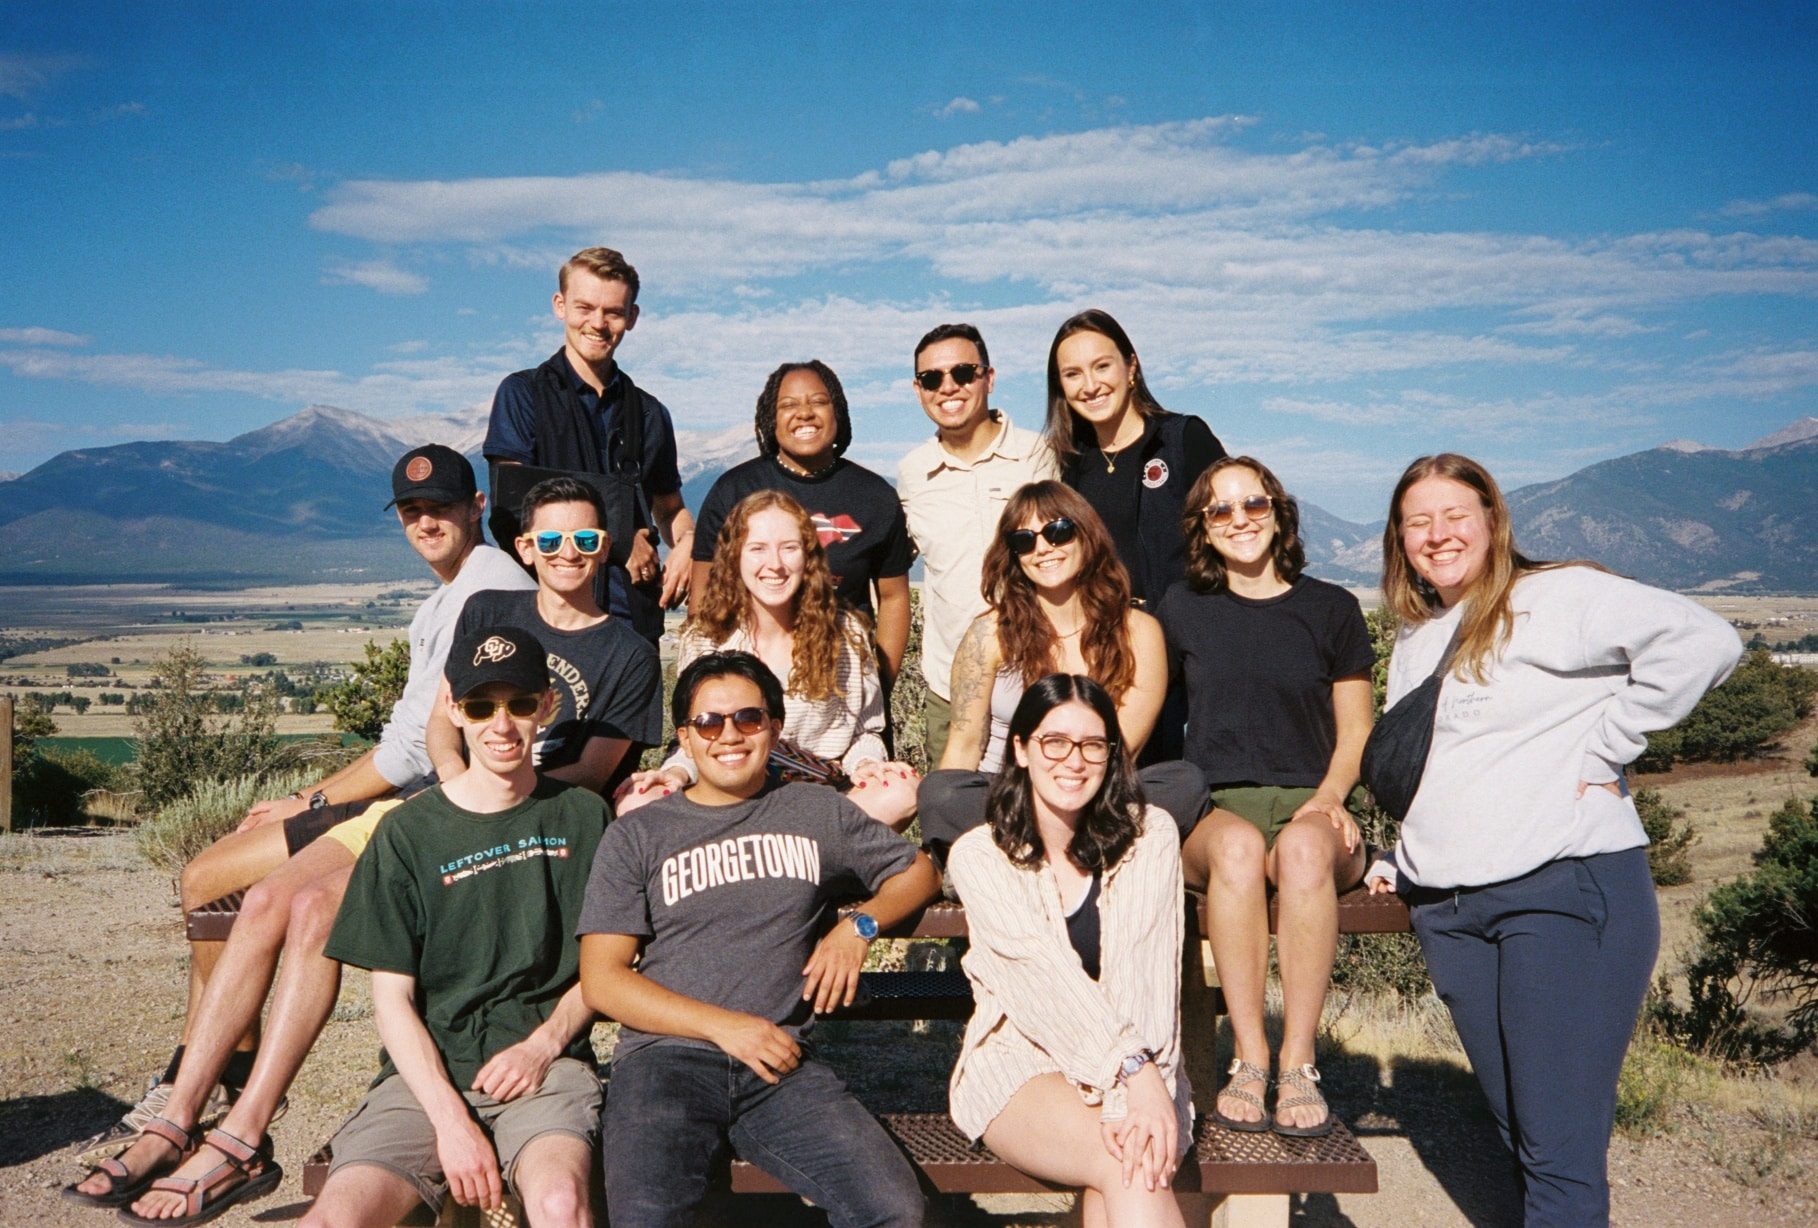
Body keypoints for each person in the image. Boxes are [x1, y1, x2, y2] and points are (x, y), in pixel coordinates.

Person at [72, 444, 534, 1170]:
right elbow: (404, 730)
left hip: (417, 802)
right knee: (204, 879)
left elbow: (415, 748)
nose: (426, 521)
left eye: (441, 505)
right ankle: (213, 1069)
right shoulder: (450, 592)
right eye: (412, 511)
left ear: (476, 506)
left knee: (218, 881)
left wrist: (310, 798)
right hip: (396, 791)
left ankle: (207, 1078)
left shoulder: (486, 589)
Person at [1364, 453, 1742, 1226]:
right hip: (1452, 912)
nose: (1437, 535)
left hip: (1562, 891)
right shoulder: (1418, 639)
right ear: (1398, 541)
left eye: (1454, 515)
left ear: (1494, 521)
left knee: (1559, 1153)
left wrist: (1607, 746)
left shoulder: (1556, 595)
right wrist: (1401, 860)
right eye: (1417, 523)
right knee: (1524, 1135)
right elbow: (1448, 765)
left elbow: (1706, 640)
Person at [578, 651, 940, 1228]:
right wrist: (726, 1027)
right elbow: (603, 979)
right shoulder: (639, 836)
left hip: (780, 1066)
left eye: (748, 718)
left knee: (893, 1211)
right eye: (709, 722)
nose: (729, 735)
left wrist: (859, 926)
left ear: (774, 727)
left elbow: (917, 871)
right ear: (685, 740)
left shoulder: (813, 811)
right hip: (665, 1065)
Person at [304, 625, 606, 1228]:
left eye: (520, 704)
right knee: (334, 1218)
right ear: (453, 710)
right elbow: (392, 999)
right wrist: (450, 1120)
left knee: (560, 1206)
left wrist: (542, 1046)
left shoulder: (583, 817)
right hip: (426, 1077)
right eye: (480, 706)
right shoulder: (408, 833)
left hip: (544, 1070)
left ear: (547, 705)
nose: (501, 724)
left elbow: (604, 970)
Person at [1156, 457, 1375, 1137]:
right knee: (1240, 848)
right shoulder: (1183, 609)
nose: (1239, 519)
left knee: (1306, 852)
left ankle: (1296, 1062)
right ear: (1202, 528)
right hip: (1214, 809)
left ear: (1279, 513)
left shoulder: (1331, 609)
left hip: (1315, 799)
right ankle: (1248, 1058)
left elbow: (1357, 724)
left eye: (1253, 503)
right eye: (1220, 510)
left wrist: (1332, 797)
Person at [946, 674, 1192, 1228]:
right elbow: (1041, 980)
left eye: (1092, 745)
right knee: (1131, 1159)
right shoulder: (980, 856)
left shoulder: (1150, 836)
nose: (1073, 761)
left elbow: (1146, 974)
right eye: (1054, 742)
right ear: (1021, 750)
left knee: (1129, 1164)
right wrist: (1131, 1073)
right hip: (1021, 1060)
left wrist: (1140, 1086)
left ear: (1111, 756)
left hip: (1148, 1062)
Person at [919, 481, 1203, 859]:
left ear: (1086, 535)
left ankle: (1036, 852)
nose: (1042, 548)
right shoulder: (989, 632)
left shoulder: (1138, 632)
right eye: (1024, 540)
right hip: (1009, 794)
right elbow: (965, 744)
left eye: (1058, 532)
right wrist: (945, 804)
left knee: (1185, 783)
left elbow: (1120, 749)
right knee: (940, 793)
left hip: (1094, 790)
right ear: (1013, 554)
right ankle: (1075, 852)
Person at [617, 490, 919, 829]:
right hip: (729, 794)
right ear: (735, 557)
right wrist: (673, 773)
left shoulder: (845, 634)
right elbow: (695, 738)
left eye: (788, 548)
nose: (774, 564)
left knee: (901, 792)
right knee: (637, 800)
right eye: (757, 548)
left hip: (820, 795)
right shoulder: (705, 638)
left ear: (808, 557)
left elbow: (865, 731)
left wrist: (866, 764)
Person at [484, 246, 696, 642]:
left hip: (632, 624)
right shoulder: (523, 395)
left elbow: (669, 509)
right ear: (559, 306)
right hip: (549, 620)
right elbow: (511, 503)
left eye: (613, 312)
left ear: (632, 318)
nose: (598, 323)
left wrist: (689, 542)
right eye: (585, 307)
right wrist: (616, 541)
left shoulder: (650, 414)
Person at [1046, 309, 1226, 762]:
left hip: (1191, 657)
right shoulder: (1069, 464)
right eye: (1073, 374)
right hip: (1105, 659)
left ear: (1131, 367)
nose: (1090, 385)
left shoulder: (1182, 439)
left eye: (1102, 366)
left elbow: (1231, 528)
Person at [424, 475, 663, 799]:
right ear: (525, 549)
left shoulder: (632, 657)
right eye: (550, 540)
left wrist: (495, 798)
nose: (569, 553)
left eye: (586, 540)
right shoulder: (485, 612)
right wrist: (459, 785)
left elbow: (590, 773)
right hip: (454, 792)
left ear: (605, 549)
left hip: (548, 811)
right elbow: (442, 719)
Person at [688, 360, 914, 687]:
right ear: (771, 418)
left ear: (838, 412)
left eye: (819, 402)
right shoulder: (733, 490)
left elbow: (894, 598)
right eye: (788, 405)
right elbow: (703, 602)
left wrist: (879, 686)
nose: (805, 413)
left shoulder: (875, 496)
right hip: (748, 684)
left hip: (844, 680)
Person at [899, 322, 1056, 767]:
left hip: (1038, 678)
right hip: (950, 689)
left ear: (988, 377)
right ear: (918, 389)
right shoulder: (913, 473)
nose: (948, 386)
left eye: (963, 373)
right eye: (932, 378)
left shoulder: (1039, 457)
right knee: (955, 822)